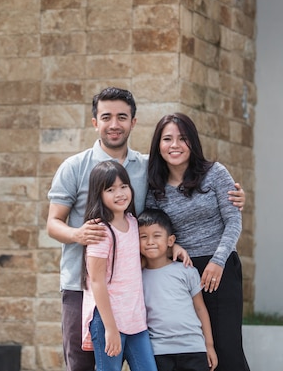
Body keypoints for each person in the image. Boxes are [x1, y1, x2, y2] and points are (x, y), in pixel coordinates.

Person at [47, 87, 245, 371]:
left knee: (200, 356)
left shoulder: (147, 168)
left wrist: (172, 243)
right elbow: (53, 223)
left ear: (133, 122)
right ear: (95, 122)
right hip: (84, 285)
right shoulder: (74, 167)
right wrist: (79, 234)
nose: (114, 124)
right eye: (106, 117)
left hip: (139, 287)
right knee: (83, 364)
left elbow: (156, 218)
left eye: (122, 117)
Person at [145, 112, 251, 371]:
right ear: (158, 145)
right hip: (182, 272)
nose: (175, 145)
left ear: (192, 142)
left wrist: (218, 261)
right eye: (167, 139)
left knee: (227, 350)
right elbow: (150, 226)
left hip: (220, 269)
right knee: (197, 353)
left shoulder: (215, 174)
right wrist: (173, 246)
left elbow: (233, 221)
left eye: (182, 138)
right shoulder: (153, 187)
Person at [81, 160, 157, 371]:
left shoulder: (133, 222)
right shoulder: (100, 231)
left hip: (135, 319)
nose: (120, 193)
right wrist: (110, 328)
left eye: (124, 186)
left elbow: (134, 262)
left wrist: (173, 250)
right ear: (99, 194)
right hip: (108, 318)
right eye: (111, 189)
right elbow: (96, 281)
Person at [138, 208, 218, 371]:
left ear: (170, 240)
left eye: (157, 236)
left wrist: (209, 345)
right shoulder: (138, 278)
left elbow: (200, 308)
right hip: (159, 351)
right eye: (143, 237)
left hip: (193, 348)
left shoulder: (186, 271)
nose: (150, 242)